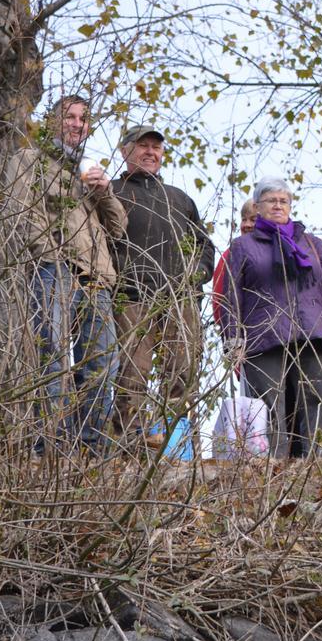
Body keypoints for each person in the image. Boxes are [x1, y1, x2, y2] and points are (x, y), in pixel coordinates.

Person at [0, 95, 127, 449]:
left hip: (97, 278)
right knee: (52, 358)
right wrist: (53, 258)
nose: (76, 123)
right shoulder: (30, 160)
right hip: (53, 271)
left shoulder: (89, 172)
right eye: (69, 116)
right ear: (52, 123)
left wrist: (105, 193)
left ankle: (89, 446)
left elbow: (117, 228)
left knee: (103, 365)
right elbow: (23, 215)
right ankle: (47, 447)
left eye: (83, 119)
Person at [220, 178, 322, 458]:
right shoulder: (243, 245)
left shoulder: (311, 242)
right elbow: (231, 294)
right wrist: (233, 337)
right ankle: (273, 471)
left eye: (283, 201)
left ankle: (317, 469)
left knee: (316, 402)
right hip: (263, 337)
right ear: (257, 207)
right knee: (268, 406)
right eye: (271, 200)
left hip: (311, 333)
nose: (278, 206)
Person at [109, 124, 215, 449]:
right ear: (125, 151)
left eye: (156, 147)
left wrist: (194, 276)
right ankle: (132, 448)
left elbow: (205, 246)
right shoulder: (111, 192)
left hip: (178, 299)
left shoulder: (180, 199)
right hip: (131, 298)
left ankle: (178, 447)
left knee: (182, 374)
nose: (150, 152)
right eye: (142, 146)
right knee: (132, 375)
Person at [212, 199, 257, 330]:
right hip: (239, 332)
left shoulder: (278, 252)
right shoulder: (230, 255)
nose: (247, 225)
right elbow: (219, 300)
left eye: (253, 220)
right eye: (244, 219)